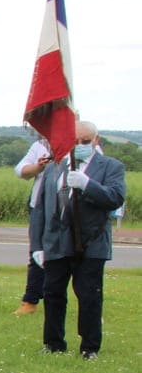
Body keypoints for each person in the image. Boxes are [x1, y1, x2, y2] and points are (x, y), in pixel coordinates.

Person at [29, 120, 127, 359]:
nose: (80, 145)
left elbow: (115, 198)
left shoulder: (110, 167)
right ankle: (53, 343)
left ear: (96, 140)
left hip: (91, 242)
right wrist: (38, 246)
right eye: (76, 141)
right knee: (52, 293)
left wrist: (87, 185)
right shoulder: (55, 166)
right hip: (56, 242)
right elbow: (41, 207)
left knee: (89, 296)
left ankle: (89, 347)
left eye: (85, 141)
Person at [11, 132, 53, 314]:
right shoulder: (41, 146)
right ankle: (30, 302)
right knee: (37, 252)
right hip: (40, 205)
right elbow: (21, 170)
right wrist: (38, 167)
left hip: (70, 208)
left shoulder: (85, 144)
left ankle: (88, 306)